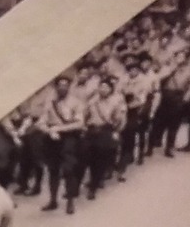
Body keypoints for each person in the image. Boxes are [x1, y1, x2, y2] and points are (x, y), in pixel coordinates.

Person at [32, 74, 85, 214]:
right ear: (56, 87)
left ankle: (70, 201)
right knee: (52, 170)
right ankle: (53, 200)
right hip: (52, 139)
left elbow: (79, 123)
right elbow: (41, 122)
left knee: (69, 170)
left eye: (65, 85)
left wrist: (59, 129)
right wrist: (49, 131)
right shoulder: (50, 103)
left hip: (69, 138)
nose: (62, 88)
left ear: (69, 87)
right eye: (60, 85)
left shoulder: (76, 102)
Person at [82, 74, 126, 199]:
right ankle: (93, 179)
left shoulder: (115, 102)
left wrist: (115, 131)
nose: (103, 89)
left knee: (99, 159)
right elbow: (85, 115)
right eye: (101, 87)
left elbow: (118, 119)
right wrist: (85, 127)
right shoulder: (92, 101)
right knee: (88, 158)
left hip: (104, 132)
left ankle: (93, 186)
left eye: (106, 87)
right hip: (91, 132)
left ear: (111, 90)